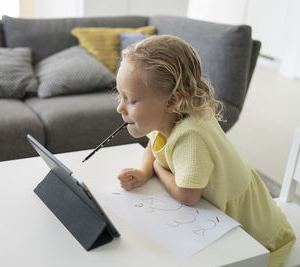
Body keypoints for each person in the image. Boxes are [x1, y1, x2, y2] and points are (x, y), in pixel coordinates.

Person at [115, 35, 295, 267]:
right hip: (215, 214)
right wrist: (143, 170)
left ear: (171, 101)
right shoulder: (167, 116)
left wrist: (158, 168)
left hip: (253, 234)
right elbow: (155, 144)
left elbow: (188, 196)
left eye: (130, 100)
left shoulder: (191, 135)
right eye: (120, 95)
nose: (120, 107)